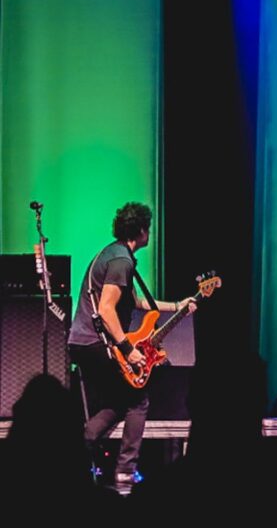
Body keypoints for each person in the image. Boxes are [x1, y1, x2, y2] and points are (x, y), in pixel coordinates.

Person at [67, 201, 197, 492]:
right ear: (140, 230)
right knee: (138, 400)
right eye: (148, 228)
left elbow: (136, 303)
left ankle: (78, 448)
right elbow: (106, 309)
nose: (149, 233)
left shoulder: (116, 254)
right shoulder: (121, 261)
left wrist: (178, 305)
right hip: (94, 343)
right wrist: (128, 349)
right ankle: (125, 472)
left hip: (85, 342)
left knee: (120, 402)